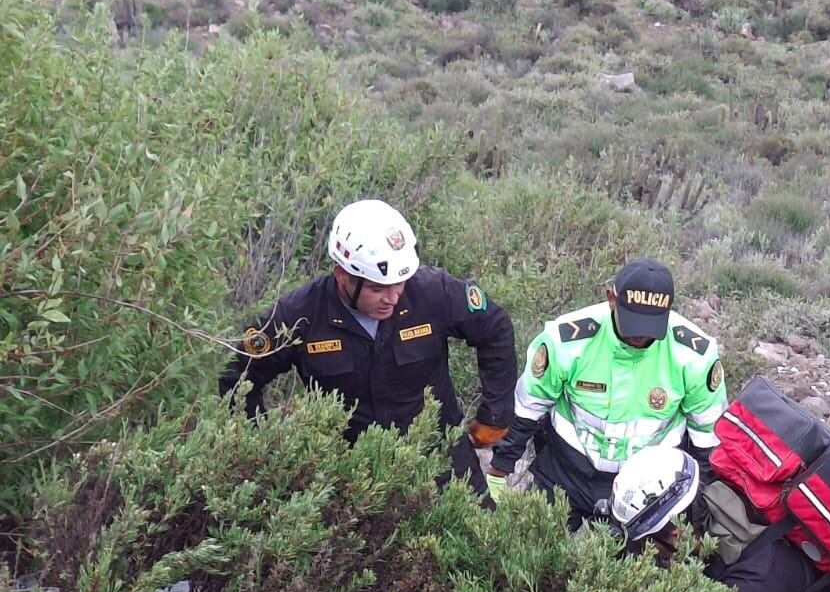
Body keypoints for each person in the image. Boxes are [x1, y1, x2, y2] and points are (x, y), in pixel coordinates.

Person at [219, 199, 517, 500]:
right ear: (342, 276)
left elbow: (496, 328)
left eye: (399, 284)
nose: (393, 297)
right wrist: (264, 452)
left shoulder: (432, 291)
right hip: (351, 470)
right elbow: (239, 377)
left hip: (441, 455)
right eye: (377, 289)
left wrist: (497, 412)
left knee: (481, 538)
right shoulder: (299, 314)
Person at [489, 257, 727, 523]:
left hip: (649, 487)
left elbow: (708, 441)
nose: (640, 336)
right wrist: (500, 467)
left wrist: (697, 510)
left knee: (642, 563)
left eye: (651, 326)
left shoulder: (694, 356)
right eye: (633, 322)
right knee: (530, 550)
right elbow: (527, 409)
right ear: (611, 298)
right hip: (567, 472)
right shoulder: (567, 341)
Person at [610, 446, 830, 592]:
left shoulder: (752, 587)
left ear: (677, 534)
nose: (648, 552)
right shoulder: (724, 503)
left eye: (647, 542)